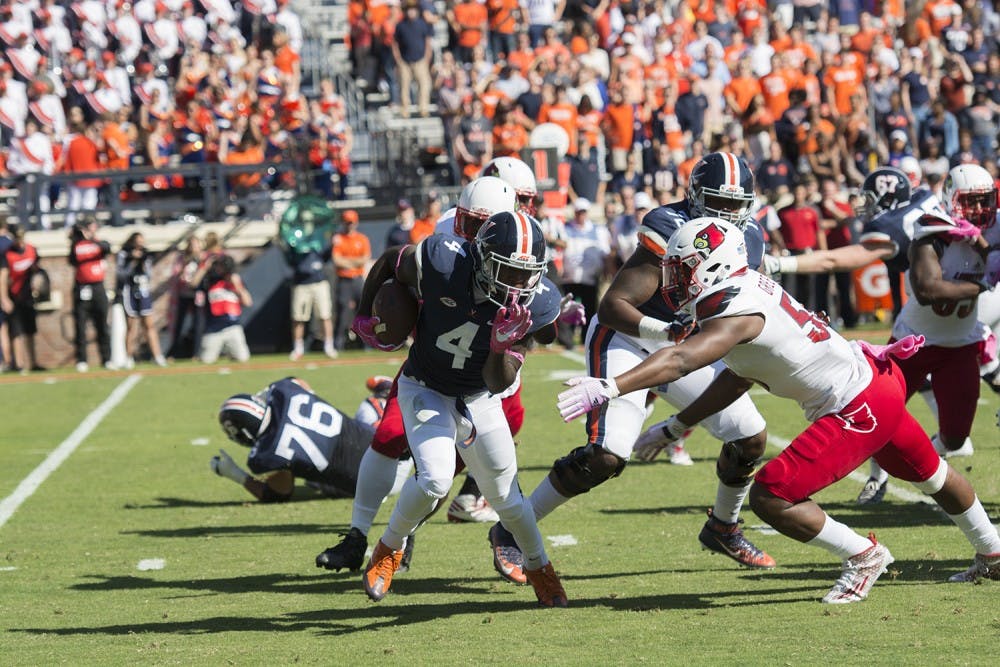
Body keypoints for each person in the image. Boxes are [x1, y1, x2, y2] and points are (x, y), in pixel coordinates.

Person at [558, 217, 1000, 602]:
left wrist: (611, 385)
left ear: (712, 263)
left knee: (771, 495)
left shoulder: (734, 306)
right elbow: (738, 375)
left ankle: (863, 555)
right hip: (876, 382)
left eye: (682, 269)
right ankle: (992, 550)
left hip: (856, 404)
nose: (674, 281)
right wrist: (675, 427)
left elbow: (681, 359)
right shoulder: (741, 290)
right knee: (933, 475)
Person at [485, 152, 776, 584]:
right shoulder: (667, 226)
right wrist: (666, 332)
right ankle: (510, 529)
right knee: (607, 455)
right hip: (631, 336)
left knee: (750, 438)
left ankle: (723, 526)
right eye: (719, 202)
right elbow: (614, 305)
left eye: (737, 205)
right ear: (695, 197)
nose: (729, 215)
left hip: (683, 343)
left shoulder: (751, 239)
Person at [348, 210, 568, 606]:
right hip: (425, 386)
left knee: (508, 500)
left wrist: (502, 347)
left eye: (527, 273)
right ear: (482, 258)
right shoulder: (442, 260)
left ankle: (540, 567)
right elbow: (388, 263)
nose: (518, 284)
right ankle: (388, 549)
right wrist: (365, 312)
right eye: (507, 271)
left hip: (478, 395)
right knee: (435, 479)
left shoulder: (536, 303)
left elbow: (499, 382)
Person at [211, 376, 412, 504]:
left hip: (383, 487)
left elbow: (279, 493)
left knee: (319, 481)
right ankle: (384, 397)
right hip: (399, 446)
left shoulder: (265, 456)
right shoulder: (285, 390)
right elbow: (299, 383)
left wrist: (236, 475)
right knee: (367, 410)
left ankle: (383, 399)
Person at [116, 232, 167, 368]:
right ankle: (128, 357)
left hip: (143, 290)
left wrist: (143, 263)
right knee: (131, 326)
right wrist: (132, 261)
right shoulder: (124, 254)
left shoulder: (146, 255)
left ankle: (157, 356)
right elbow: (121, 274)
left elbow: (148, 274)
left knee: (149, 324)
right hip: (130, 291)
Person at [69, 219, 113, 372]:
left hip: (98, 287)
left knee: (102, 324)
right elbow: (72, 259)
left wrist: (92, 238)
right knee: (80, 325)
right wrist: (76, 236)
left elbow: (107, 248)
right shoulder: (78, 244)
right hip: (81, 288)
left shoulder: (99, 243)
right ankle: (82, 360)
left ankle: (106, 358)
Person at [286, 226, 335, 362]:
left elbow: (325, 257)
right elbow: (291, 261)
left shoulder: (317, 240)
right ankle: (298, 348)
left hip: (319, 282)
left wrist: (331, 244)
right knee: (298, 317)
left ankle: (329, 346)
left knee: (325, 315)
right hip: (302, 283)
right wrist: (288, 247)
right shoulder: (295, 241)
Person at [199, 254, 253, 364]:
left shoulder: (235, 282)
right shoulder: (210, 281)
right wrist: (204, 267)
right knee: (206, 360)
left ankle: (230, 352)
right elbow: (193, 283)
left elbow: (248, 302)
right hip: (214, 328)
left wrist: (238, 286)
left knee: (243, 358)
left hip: (232, 326)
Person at [331, 209, 371, 352]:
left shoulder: (362, 239)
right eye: (347, 223)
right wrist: (354, 262)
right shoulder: (338, 238)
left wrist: (347, 262)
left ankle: (365, 342)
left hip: (357, 279)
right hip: (344, 280)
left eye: (352, 223)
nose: (350, 225)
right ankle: (338, 343)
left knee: (364, 310)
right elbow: (337, 261)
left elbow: (365, 259)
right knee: (343, 310)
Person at [1, 228, 41, 372]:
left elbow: (38, 270)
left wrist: (38, 283)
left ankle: (33, 362)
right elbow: (3, 277)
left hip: (28, 295)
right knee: (16, 331)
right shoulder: (8, 254)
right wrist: (4, 298)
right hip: (14, 296)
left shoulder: (31, 250)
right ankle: (19, 364)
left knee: (30, 330)